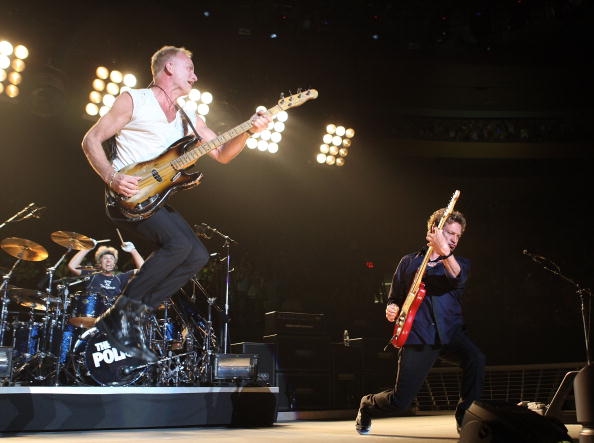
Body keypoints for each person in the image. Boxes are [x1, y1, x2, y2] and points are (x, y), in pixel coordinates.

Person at [80, 46, 271, 362]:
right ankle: (121, 316)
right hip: (128, 195)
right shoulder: (134, 99)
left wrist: (249, 130)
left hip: (157, 199)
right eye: (190, 68)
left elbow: (222, 154)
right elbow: (91, 139)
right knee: (180, 245)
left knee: (196, 254)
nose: (195, 76)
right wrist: (112, 178)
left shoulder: (189, 118)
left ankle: (134, 315)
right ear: (168, 68)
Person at [356, 209, 485, 434]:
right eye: (449, 233)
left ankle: (465, 419)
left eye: (458, 235)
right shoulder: (408, 262)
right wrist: (392, 308)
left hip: (450, 333)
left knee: (476, 358)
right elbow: (395, 298)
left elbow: (457, 279)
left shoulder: (458, 263)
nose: (454, 240)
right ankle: (367, 404)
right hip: (419, 336)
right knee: (400, 402)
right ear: (433, 231)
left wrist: (444, 252)